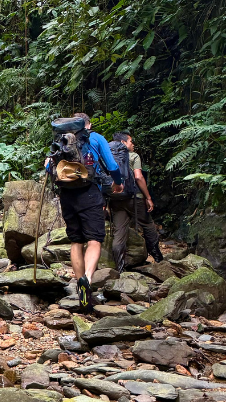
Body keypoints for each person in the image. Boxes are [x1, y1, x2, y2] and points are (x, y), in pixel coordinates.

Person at [53, 113, 123, 310]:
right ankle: (87, 279)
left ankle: (80, 288)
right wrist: (118, 184)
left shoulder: (60, 139)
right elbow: (112, 165)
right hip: (89, 193)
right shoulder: (95, 138)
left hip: (66, 195)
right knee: (94, 240)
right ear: (88, 124)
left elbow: (50, 166)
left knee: (76, 240)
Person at [110, 132, 164, 268]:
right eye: (130, 141)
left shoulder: (108, 157)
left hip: (115, 199)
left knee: (119, 233)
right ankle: (158, 258)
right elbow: (138, 177)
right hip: (135, 198)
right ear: (123, 143)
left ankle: (120, 268)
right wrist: (148, 197)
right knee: (148, 225)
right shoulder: (133, 156)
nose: (132, 144)